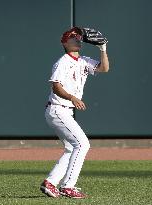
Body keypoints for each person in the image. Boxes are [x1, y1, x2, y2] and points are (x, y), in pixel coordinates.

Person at [40, 27, 109, 199]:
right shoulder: (62, 62)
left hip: (64, 111)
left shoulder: (84, 60)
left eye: (78, 37)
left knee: (72, 147)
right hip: (58, 109)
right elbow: (55, 86)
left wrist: (103, 48)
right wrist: (72, 97)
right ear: (64, 42)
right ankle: (68, 186)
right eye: (72, 38)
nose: (77, 39)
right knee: (83, 144)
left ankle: (50, 183)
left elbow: (104, 68)